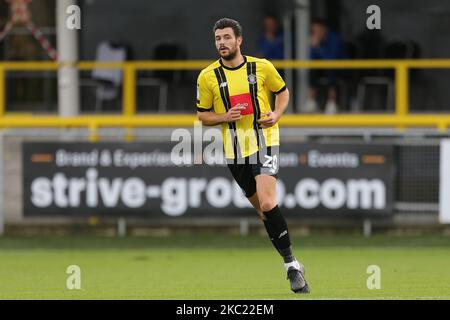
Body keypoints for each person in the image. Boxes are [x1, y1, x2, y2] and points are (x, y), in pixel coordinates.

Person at [196, 17, 310, 294]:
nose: (221, 43)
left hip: (264, 140)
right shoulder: (207, 76)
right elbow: (202, 115)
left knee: (269, 203)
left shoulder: (262, 67)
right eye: (217, 39)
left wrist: (277, 115)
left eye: (226, 37)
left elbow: (282, 93)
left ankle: (290, 268)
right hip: (235, 149)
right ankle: (294, 261)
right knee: (263, 212)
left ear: (239, 40)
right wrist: (224, 116)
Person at [307, 18, 347, 114]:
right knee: (312, 69)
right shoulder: (316, 41)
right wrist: (314, 47)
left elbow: (331, 58)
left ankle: (332, 102)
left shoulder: (334, 38)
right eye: (314, 31)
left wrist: (318, 48)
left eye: (318, 30)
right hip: (325, 67)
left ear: (324, 29)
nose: (316, 33)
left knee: (331, 69)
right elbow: (312, 59)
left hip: (342, 68)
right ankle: (311, 101)